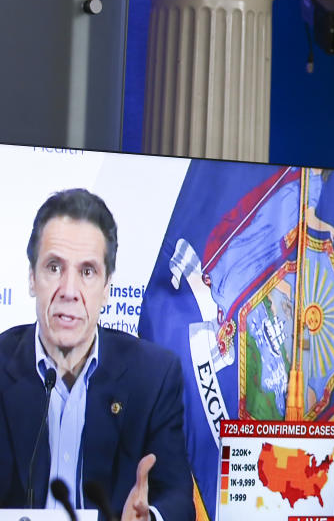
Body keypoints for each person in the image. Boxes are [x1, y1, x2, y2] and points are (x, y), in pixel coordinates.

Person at [0, 189, 193, 520]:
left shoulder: (154, 376)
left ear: (106, 289)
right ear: (32, 278)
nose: (70, 291)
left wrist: (150, 517)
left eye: (87, 272)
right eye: (54, 267)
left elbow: (177, 499)